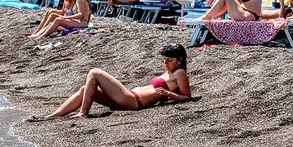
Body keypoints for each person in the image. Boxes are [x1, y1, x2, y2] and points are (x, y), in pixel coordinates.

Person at [38, 43, 191, 119]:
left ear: (179, 60)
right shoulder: (169, 71)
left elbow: (187, 97)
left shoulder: (180, 73)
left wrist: (168, 94)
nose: (165, 63)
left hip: (133, 101)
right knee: (85, 89)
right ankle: (53, 116)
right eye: (164, 60)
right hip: (128, 98)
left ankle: (83, 112)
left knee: (94, 72)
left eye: (169, 60)